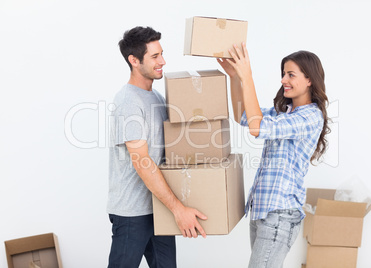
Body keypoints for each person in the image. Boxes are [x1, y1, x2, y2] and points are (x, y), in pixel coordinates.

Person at [217, 44, 330, 268]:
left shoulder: (311, 117)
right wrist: (234, 77)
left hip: (280, 213)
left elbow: (257, 128)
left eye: (291, 75)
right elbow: (244, 117)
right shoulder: (284, 112)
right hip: (263, 210)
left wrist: (247, 76)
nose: (283, 80)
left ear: (309, 80)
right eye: (283, 74)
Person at [107, 26, 207, 268]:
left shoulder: (157, 98)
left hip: (158, 207)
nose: (163, 61)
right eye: (154, 56)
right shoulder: (128, 102)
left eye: (161, 53)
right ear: (134, 60)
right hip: (132, 212)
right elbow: (142, 161)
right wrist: (178, 209)